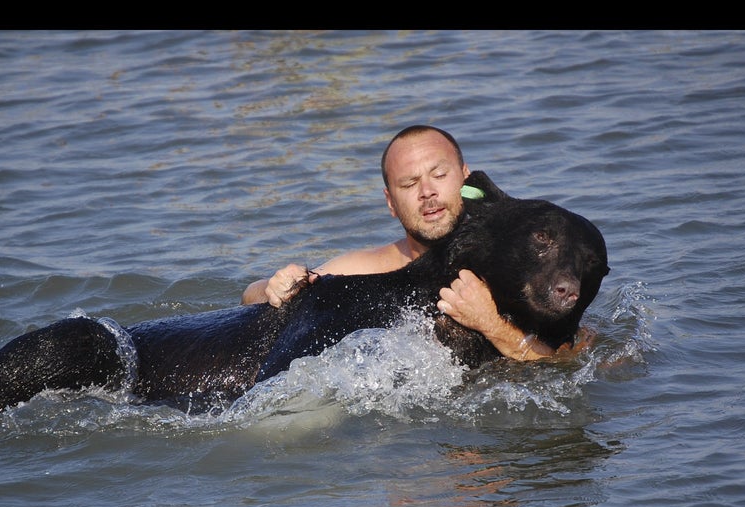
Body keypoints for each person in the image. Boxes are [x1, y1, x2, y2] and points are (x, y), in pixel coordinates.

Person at [242, 125, 583, 360]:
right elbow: (251, 299)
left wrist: (491, 326)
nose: (427, 192)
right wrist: (273, 286)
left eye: (439, 175)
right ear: (391, 202)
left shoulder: (514, 266)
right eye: (409, 184)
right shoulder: (369, 269)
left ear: (467, 179)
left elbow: (577, 364)